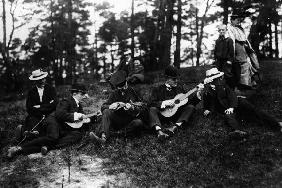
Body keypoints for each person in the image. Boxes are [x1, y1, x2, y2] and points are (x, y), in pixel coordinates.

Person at [7, 84, 92, 158]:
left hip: (63, 127)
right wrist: (76, 116)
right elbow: (60, 114)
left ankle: (47, 147)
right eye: (82, 94)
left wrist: (89, 118)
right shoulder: (66, 101)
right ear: (74, 94)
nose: (84, 96)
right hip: (53, 121)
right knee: (53, 137)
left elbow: (81, 117)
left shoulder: (79, 105)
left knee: (77, 135)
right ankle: (18, 148)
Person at [203, 68, 282, 134]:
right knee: (229, 117)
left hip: (235, 105)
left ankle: (275, 123)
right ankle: (238, 131)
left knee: (253, 110)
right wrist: (207, 109)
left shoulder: (224, 86)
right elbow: (207, 104)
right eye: (218, 78)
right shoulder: (207, 92)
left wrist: (232, 107)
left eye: (219, 77)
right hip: (225, 110)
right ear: (212, 81)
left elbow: (232, 96)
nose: (220, 79)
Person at [89, 70, 147, 144]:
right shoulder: (114, 93)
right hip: (117, 119)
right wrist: (111, 106)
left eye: (122, 86)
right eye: (118, 87)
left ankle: (118, 134)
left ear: (126, 82)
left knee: (138, 123)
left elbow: (144, 106)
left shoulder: (134, 91)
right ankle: (103, 137)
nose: (120, 89)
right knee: (106, 111)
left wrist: (133, 107)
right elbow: (103, 106)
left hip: (130, 119)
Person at [148, 65, 204, 140]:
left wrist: (198, 93)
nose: (176, 81)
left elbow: (189, 102)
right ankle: (159, 132)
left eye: (177, 79)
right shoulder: (157, 89)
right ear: (167, 79)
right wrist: (164, 103)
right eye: (174, 79)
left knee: (191, 107)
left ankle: (174, 128)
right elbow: (151, 103)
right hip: (162, 115)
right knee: (152, 109)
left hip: (176, 115)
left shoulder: (180, 88)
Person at [15, 69, 57, 142]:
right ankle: (33, 133)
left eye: (43, 79)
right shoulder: (31, 92)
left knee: (50, 122)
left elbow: (54, 104)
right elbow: (29, 108)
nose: (42, 81)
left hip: (49, 114)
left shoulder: (51, 89)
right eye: (39, 80)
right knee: (32, 119)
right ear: (35, 81)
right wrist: (47, 106)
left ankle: (35, 135)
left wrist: (40, 107)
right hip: (36, 115)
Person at [227, 11, 259, 90]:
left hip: (243, 46)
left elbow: (244, 38)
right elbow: (232, 40)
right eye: (236, 20)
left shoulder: (239, 28)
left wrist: (248, 46)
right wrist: (233, 51)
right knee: (243, 63)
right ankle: (244, 84)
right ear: (232, 20)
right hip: (237, 47)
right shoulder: (229, 28)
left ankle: (250, 82)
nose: (238, 21)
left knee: (249, 62)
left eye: (238, 20)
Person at [214, 24, 235, 89]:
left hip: (226, 60)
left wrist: (230, 60)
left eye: (223, 30)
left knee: (227, 74)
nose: (221, 31)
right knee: (218, 74)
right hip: (219, 61)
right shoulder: (218, 41)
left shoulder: (229, 40)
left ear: (226, 30)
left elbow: (231, 51)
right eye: (219, 30)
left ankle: (232, 88)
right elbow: (216, 50)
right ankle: (222, 88)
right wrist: (215, 58)